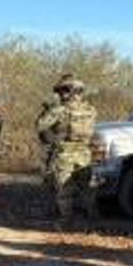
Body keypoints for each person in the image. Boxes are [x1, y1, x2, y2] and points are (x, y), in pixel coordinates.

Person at [35, 75, 98, 221]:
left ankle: (66, 219)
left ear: (70, 91)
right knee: (86, 187)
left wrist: (49, 109)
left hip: (65, 153)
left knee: (64, 189)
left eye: (63, 91)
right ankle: (90, 217)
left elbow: (40, 125)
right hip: (84, 153)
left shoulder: (60, 110)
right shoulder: (91, 109)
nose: (60, 94)